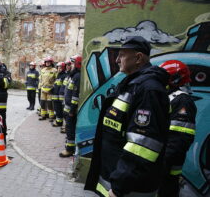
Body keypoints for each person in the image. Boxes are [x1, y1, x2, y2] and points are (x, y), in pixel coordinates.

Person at [85, 36, 170, 197]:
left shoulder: (148, 90)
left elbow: (143, 146)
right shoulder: (133, 85)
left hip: (129, 187)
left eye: (122, 55)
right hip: (117, 180)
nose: (117, 60)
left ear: (138, 58)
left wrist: (119, 186)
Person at [158, 60, 197, 197]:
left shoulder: (182, 101)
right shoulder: (167, 97)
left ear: (174, 79)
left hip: (166, 170)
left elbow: (179, 140)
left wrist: (161, 166)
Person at [59, 55, 82, 157]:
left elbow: (75, 96)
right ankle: (69, 146)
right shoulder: (72, 75)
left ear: (77, 64)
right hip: (67, 108)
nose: (70, 66)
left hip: (71, 110)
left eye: (72, 63)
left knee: (70, 129)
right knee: (69, 129)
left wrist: (72, 111)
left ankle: (69, 149)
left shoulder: (77, 76)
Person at [38, 56, 57, 120]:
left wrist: (53, 88)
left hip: (50, 90)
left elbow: (57, 80)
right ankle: (43, 115)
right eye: (46, 62)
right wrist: (40, 87)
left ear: (51, 63)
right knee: (42, 103)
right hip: (43, 90)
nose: (47, 63)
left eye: (49, 62)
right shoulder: (43, 70)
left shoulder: (54, 70)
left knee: (50, 104)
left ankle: (51, 116)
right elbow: (40, 80)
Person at [52, 62, 67, 127]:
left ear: (63, 68)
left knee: (60, 110)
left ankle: (60, 123)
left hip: (60, 97)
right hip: (55, 96)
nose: (59, 69)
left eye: (60, 68)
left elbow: (62, 87)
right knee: (57, 110)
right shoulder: (58, 75)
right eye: (58, 67)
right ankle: (58, 122)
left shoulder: (64, 76)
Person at [59, 60, 72, 133]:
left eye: (69, 65)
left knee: (67, 114)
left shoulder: (72, 75)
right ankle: (65, 126)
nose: (67, 66)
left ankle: (66, 127)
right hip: (64, 97)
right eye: (66, 65)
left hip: (68, 99)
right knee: (64, 113)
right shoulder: (67, 75)